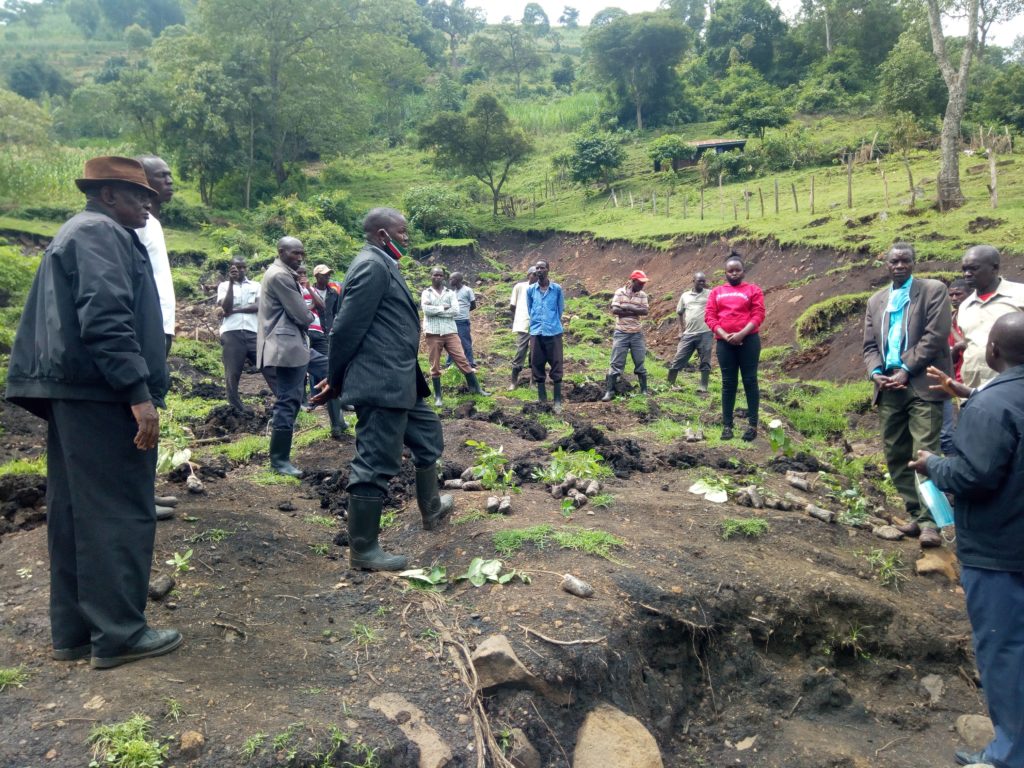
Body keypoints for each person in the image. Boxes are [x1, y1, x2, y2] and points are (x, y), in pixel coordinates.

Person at [5, 156, 180, 669]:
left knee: (74, 511)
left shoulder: (81, 231)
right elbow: (106, 318)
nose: (149, 203)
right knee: (118, 510)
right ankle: (120, 634)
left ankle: (76, 632)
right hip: (102, 393)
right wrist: (138, 393)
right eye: (138, 195)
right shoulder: (101, 233)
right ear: (108, 195)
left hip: (76, 392)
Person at [908, 312, 1024, 768]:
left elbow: (974, 476)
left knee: (1004, 649)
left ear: (992, 353)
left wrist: (934, 465)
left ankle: (1009, 754)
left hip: (1000, 551)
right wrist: (969, 394)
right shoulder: (995, 401)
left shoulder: (992, 407)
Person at [314, 208, 452, 571]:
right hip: (380, 381)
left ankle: (432, 509)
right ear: (381, 234)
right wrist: (336, 377)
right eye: (402, 232)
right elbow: (344, 329)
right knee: (376, 460)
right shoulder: (371, 266)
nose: (407, 237)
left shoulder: (382, 263)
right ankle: (364, 550)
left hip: (402, 377)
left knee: (427, 436)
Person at [863, 243, 951, 548]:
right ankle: (915, 512)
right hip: (888, 387)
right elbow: (870, 347)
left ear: (914, 262)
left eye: (905, 261)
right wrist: (876, 373)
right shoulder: (876, 301)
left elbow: (935, 336)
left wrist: (906, 369)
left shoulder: (933, 291)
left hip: (922, 384)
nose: (899, 265)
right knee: (896, 453)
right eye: (894, 261)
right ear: (885, 264)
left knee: (925, 452)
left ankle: (932, 522)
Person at [134, 155, 179, 517]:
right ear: (142, 180)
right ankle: (138, 496)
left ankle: (146, 488)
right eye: (161, 176)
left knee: (154, 407)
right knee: (140, 411)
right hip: (144, 331)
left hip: (159, 329)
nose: (170, 181)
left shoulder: (153, 222)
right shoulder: (136, 222)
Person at [256, 237, 314, 477]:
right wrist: (309, 315)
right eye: (294, 253)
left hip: (288, 345)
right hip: (285, 346)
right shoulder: (280, 275)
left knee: (290, 399)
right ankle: (279, 461)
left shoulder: (280, 272)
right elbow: (302, 316)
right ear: (280, 252)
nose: (299, 258)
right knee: (288, 401)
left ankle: (280, 458)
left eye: (302, 253)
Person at [705, 254, 765, 442]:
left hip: (749, 342)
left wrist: (741, 334)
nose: (734, 273)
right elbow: (710, 316)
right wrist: (725, 336)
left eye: (737, 270)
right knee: (728, 383)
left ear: (743, 271)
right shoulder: (716, 292)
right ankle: (727, 426)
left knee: (750, 381)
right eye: (730, 270)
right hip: (725, 344)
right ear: (725, 273)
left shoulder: (754, 290)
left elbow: (758, 314)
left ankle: (752, 425)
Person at [958, 244, 1024, 390]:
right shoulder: (965, 306)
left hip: (1015, 387)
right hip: (974, 388)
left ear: (994, 268)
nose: (967, 274)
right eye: (964, 269)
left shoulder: (1020, 295)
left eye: (973, 268)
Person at [421, 266, 487, 406]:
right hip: (433, 333)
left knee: (462, 359)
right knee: (435, 364)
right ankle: (438, 397)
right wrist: (444, 307)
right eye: (435, 275)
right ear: (431, 276)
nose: (438, 277)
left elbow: (456, 311)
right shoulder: (426, 293)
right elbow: (426, 310)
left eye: (440, 275)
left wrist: (436, 310)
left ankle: (477, 389)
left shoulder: (450, 293)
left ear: (443, 277)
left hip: (450, 331)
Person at [217, 257, 276, 414]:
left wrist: (234, 311)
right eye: (237, 267)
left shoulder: (256, 286)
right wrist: (230, 282)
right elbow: (225, 305)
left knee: (267, 364)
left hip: (253, 332)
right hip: (231, 332)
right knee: (233, 371)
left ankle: (283, 397)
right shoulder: (223, 286)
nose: (241, 270)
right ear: (231, 269)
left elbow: (258, 306)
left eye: (243, 267)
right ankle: (235, 405)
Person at [602, 270, 650, 402]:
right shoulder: (619, 292)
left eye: (643, 283)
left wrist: (628, 307)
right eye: (640, 283)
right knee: (616, 362)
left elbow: (645, 311)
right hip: (621, 332)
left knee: (640, 361)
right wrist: (635, 311)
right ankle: (610, 391)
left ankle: (644, 390)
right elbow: (615, 310)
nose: (642, 286)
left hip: (636, 333)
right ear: (632, 281)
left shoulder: (643, 295)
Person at [526, 260, 565, 413]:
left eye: (542, 268)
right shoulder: (530, 290)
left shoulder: (556, 289)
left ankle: (557, 401)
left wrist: (551, 323)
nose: (539, 270)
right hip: (536, 332)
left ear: (548, 270)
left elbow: (560, 309)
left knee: (556, 363)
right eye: (537, 268)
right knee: (537, 362)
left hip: (553, 331)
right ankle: (542, 400)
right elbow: (530, 309)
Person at [667, 272, 712, 394]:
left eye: (703, 281)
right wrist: (681, 330)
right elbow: (679, 313)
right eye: (699, 281)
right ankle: (669, 383)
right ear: (693, 281)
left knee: (705, 359)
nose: (702, 283)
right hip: (689, 334)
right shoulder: (685, 296)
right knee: (678, 358)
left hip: (705, 332)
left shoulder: (710, 294)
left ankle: (703, 385)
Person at [940, 278, 969, 455]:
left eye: (959, 294)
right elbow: (949, 353)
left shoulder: (975, 317)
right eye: (951, 294)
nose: (954, 298)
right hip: (958, 378)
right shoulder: (950, 319)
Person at [507, 266, 537, 390]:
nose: (535, 276)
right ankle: (513, 381)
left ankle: (533, 382)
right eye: (533, 274)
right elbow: (512, 305)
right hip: (523, 324)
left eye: (537, 274)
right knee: (520, 351)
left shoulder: (541, 288)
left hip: (537, 325)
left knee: (535, 353)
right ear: (528, 275)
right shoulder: (519, 287)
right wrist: (518, 317)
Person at [450, 271, 478, 368]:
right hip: (453, 321)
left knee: (465, 342)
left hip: (462, 321)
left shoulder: (467, 290)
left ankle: (470, 363)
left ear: (457, 280)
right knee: (451, 343)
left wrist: (464, 312)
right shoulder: (453, 293)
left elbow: (473, 305)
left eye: (452, 279)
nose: (450, 281)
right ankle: (449, 364)